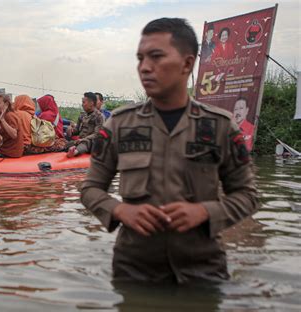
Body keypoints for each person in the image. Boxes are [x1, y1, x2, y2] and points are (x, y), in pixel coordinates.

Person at [80, 18, 259, 283]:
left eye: (156, 57)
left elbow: (247, 195)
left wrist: (205, 212)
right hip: (134, 270)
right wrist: (120, 211)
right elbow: (90, 189)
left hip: (203, 270)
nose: (145, 67)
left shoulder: (220, 126)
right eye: (140, 58)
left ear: (187, 63)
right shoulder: (119, 124)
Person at [66, 92, 104, 158]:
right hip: (80, 141)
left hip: (92, 142)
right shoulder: (82, 115)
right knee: (66, 144)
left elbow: (97, 134)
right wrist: (71, 131)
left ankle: (74, 152)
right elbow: (77, 130)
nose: (82, 105)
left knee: (86, 142)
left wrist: (83, 139)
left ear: (91, 103)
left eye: (84, 102)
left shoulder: (99, 116)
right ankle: (71, 149)